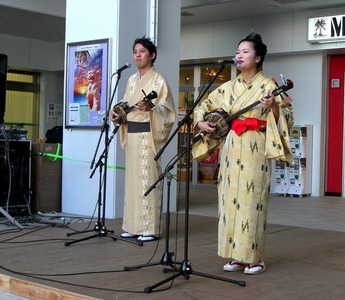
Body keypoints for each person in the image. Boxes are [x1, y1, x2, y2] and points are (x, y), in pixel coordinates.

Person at [192, 33, 294, 274]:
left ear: (258, 58)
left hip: (255, 146)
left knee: (251, 201)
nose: (239, 55)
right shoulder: (228, 87)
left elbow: (288, 116)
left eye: (245, 51)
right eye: (237, 51)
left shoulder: (269, 86)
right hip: (231, 146)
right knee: (229, 201)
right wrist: (200, 123)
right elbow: (202, 107)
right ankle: (235, 255)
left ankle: (254, 257)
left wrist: (275, 107)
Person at [109, 36, 176, 242]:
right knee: (132, 182)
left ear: (152, 55)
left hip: (148, 134)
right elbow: (125, 105)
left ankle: (149, 228)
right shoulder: (130, 81)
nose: (138, 55)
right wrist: (117, 113)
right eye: (135, 52)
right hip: (132, 134)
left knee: (148, 179)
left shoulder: (159, 80)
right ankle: (132, 225)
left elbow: (167, 110)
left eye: (142, 52)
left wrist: (151, 108)